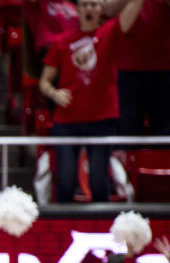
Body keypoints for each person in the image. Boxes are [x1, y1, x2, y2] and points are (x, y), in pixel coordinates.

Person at [39, 0, 146, 202]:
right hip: (67, 120)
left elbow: (132, 10)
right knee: (65, 179)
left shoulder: (110, 32)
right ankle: (63, 228)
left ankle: (102, 228)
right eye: (85, 4)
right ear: (77, 10)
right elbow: (44, 81)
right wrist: (54, 93)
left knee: (99, 180)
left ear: (101, 10)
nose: (89, 9)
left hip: (101, 118)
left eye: (94, 5)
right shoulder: (62, 40)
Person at [116, 0, 170, 138]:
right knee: (128, 129)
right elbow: (111, 15)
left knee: (164, 130)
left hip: (165, 67)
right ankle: (127, 159)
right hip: (128, 68)